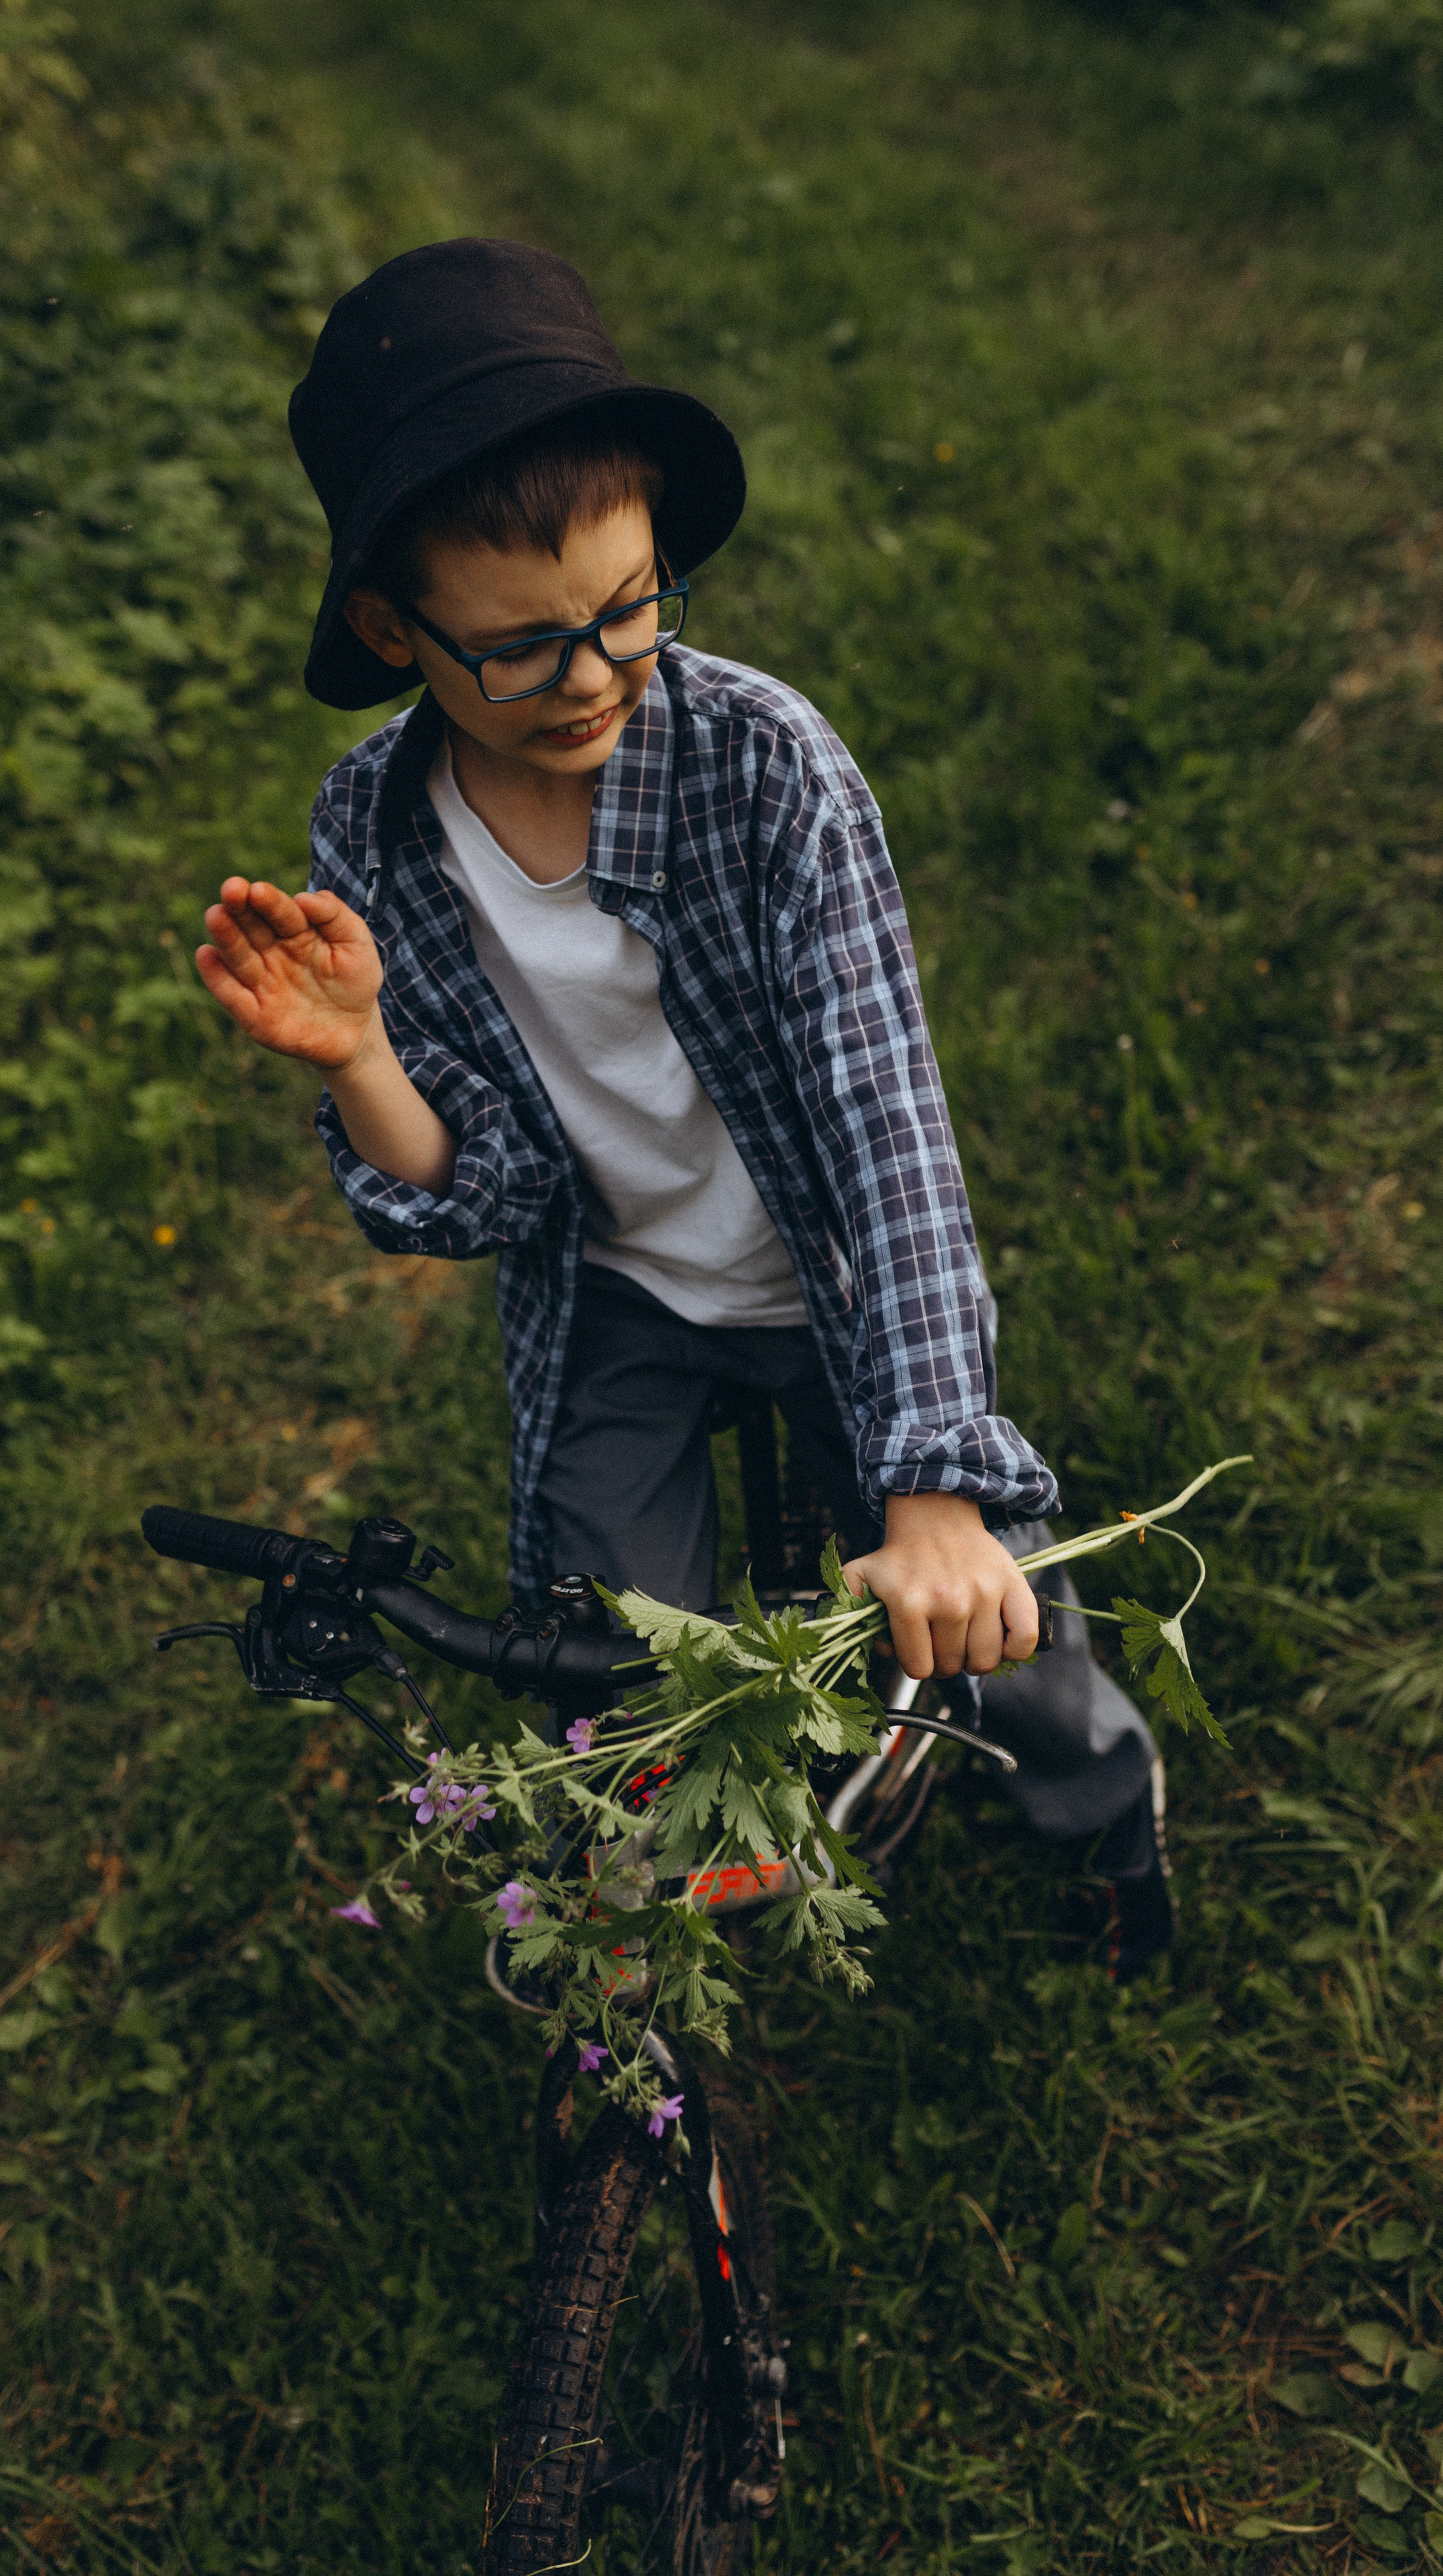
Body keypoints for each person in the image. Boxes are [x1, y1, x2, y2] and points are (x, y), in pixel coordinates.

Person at [195, 237, 1172, 1976]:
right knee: (611, 1646)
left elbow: (890, 1135)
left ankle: (1105, 1826)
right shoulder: (378, 837)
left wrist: (934, 1483)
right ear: (389, 627)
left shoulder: (767, 769)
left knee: (991, 1606)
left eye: (632, 611)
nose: (589, 676)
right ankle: (707, 1899)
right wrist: (361, 1061)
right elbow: (477, 1190)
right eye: (518, 648)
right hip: (621, 1288)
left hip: (831, 1272)